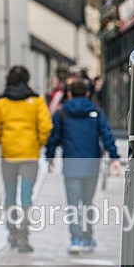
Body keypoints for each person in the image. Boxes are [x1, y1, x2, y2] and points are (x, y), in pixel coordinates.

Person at [45, 78, 121, 255]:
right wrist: (114, 157)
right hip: (92, 163)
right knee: (87, 202)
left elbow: (54, 137)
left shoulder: (62, 112)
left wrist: (49, 157)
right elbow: (106, 134)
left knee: (73, 203)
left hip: (71, 163)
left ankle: (76, 239)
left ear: (69, 93)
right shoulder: (96, 111)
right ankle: (87, 237)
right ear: (87, 93)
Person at [0, 66, 52, 253]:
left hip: (8, 154)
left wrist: (2, 140)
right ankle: (24, 234)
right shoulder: (37, 100)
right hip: (30, 154)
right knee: (26, 195)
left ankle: (12, 232)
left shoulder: (1, 101)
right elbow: (46, 126)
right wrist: (38, 142)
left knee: (9, 194)